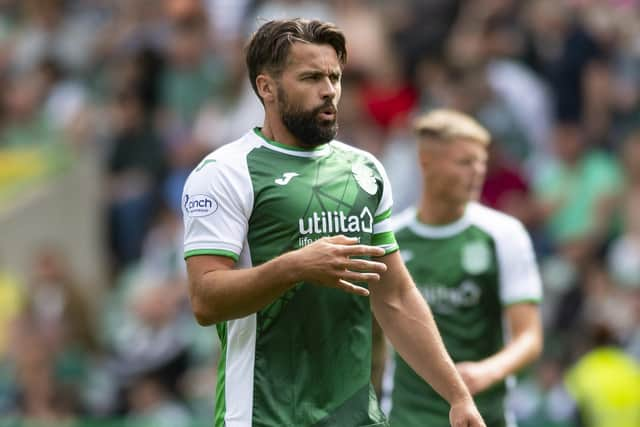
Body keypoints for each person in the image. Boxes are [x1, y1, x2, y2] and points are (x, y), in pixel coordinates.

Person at [181, 19, 485, 427]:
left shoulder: (365, 171)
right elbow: (205, 300)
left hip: (356, 417)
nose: (329, 90)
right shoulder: (225, 172)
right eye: (310, 77)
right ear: (266, 88)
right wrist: (296, 265)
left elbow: (394, 296)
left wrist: (457, 395)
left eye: (334, 77)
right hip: (264, 416)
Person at [381, 109, 543, 427]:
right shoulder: (392, 238)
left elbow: (530, 337)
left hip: (484, 415)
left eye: (481, 162)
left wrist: (488, 371)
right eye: (465, 162)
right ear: (426, 162)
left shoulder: (503, 235)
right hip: (407, 416)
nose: (477, 172)